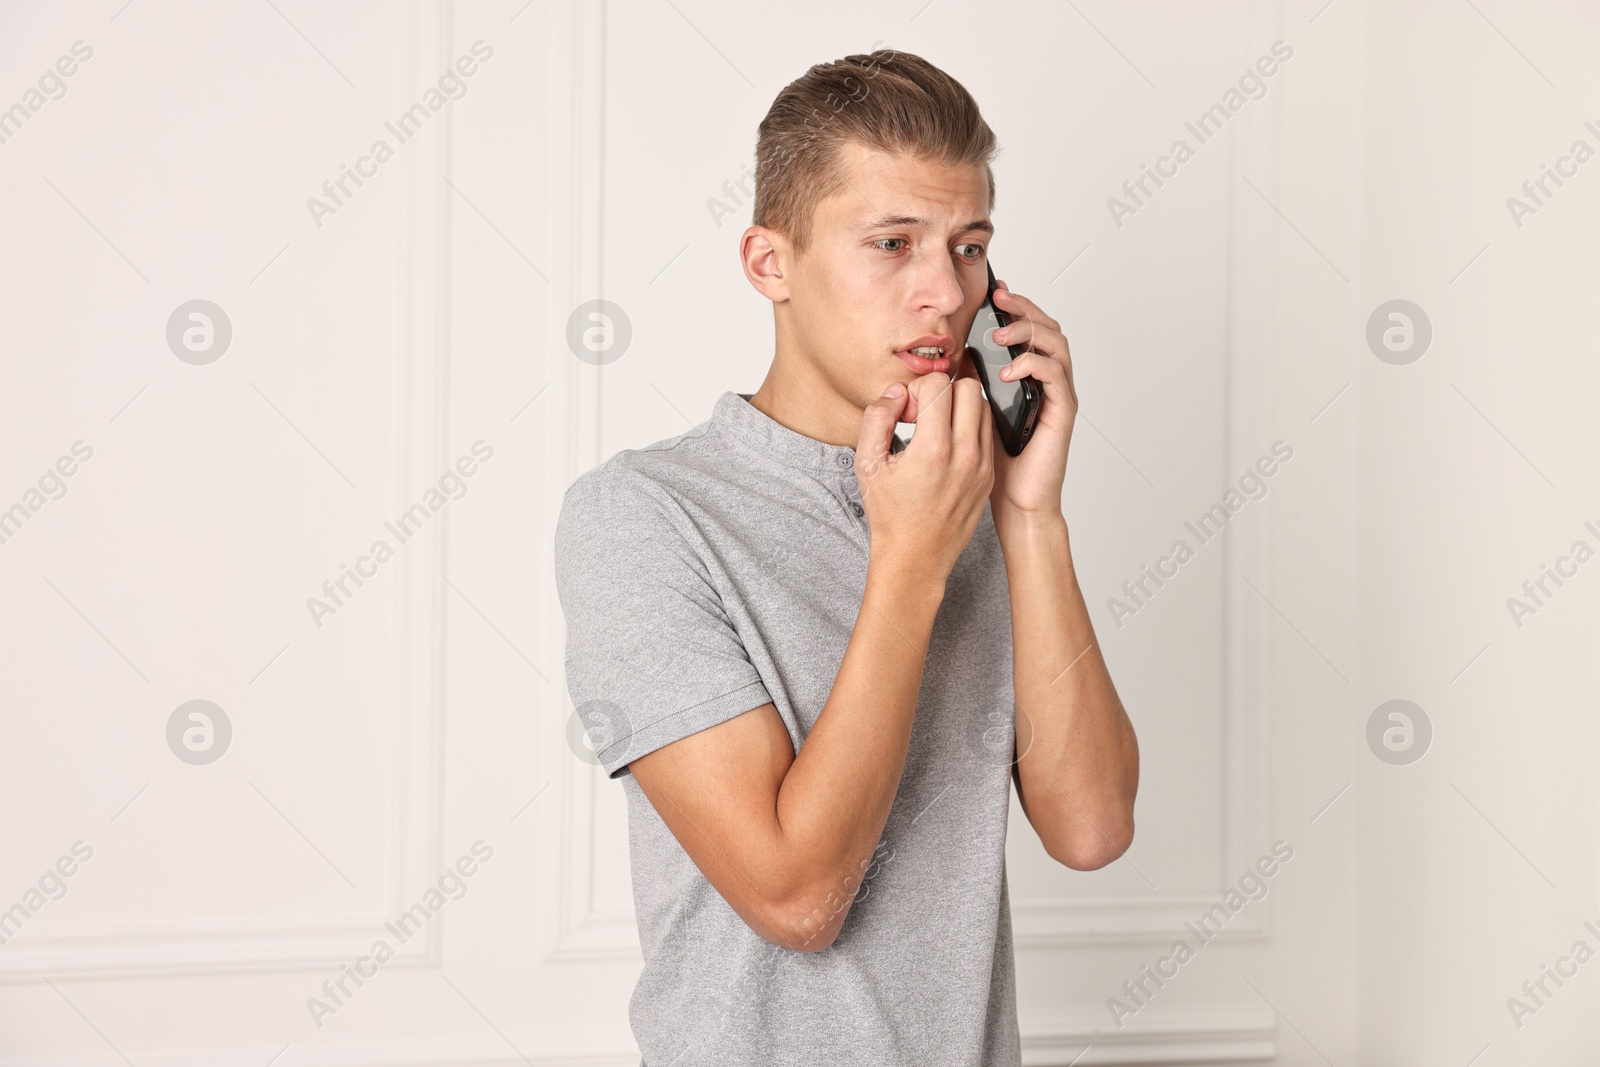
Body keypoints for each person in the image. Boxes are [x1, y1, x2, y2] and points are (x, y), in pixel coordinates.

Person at [554, 48, 1139, 1067]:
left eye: (966, 247)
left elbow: (1090, 827)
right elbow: (795, 895)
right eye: (891, 242)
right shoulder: (643, 517)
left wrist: (1030, 515)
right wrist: (910, 561)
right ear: (769, 263)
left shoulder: (974, 498)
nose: (941, 293)